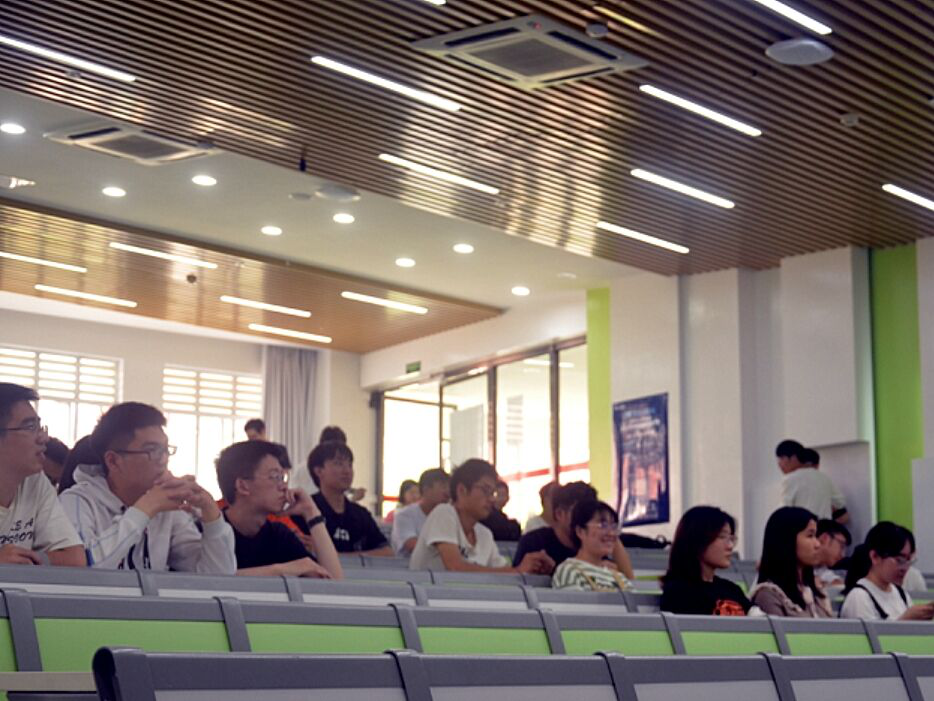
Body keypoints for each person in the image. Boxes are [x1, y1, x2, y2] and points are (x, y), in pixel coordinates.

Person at [60, 402, 236, 572]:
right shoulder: (77, 501)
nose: (163, 459)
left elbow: (217, 575)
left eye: (165, 449)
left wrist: (212, 515)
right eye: (152, 450)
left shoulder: (166, 510)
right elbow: (84, 569)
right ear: (113, 461)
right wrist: (144, 509)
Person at [216, 440, 341, 579]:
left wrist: (311, 512)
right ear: (243, 486)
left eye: (283, 478)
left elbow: (333, 583)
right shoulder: (211, 532)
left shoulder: (279, 534)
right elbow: (208, 579)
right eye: (275, 477)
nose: (284, 487)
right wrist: (280, 570)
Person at [409, 459, 553, 573]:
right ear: (461, 490)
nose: (491, 499)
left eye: (493, 493)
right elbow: (455, 567)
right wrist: (518, 570)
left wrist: (531, 568)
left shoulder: (484, 535)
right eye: (485, 490)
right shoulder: (444, 513)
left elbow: (503, 573)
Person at [0, 383, 85, 566]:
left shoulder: (34, 482)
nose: (43, 438)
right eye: (30, 427)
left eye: (40, 427)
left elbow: (75, 559)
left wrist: (26, 561)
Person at [513, 481, 634, 579]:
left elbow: (629, 583)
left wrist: (609, 532)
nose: (586, 518)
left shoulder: (593, 547)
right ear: (560, 514)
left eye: (591, 515)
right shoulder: (534, 542)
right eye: (580, 513)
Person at [660, 505, 752, 616]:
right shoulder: (678, 593)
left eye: (731, 538)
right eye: (722, 537)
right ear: (697, 540)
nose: (730, 546)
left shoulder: (731, 589)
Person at [308, 440, 392, 555]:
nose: (347, 471)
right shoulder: (307, 509)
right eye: (338, 464)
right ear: (318, 471)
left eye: (350, 465)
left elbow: (387, 552)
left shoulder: (360, 514)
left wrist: (344, 558)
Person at [840, 522, 934, 620]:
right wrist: (906, 620)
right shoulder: (859, 597)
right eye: (899, 560)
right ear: (875, 556)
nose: (905, 568)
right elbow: (869, 630)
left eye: (908, 560)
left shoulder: (900, 594)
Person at [749, 507, 832, 617]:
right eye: (810, 536)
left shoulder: (816, 593)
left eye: (816, 536)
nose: (817, 544)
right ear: (787, 540)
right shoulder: (768, 595)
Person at [552, 500, 632, 592]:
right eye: (603, 525)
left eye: (614, 526)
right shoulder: (569, 571)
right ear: (580, 531)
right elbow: (573, 601)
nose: (611, 533)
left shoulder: (618, 577)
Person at [776, 440, 848, 523]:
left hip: (802, 528)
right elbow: (840, 502)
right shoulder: (823, 477)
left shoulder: (790, 479)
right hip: (824, 528)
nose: (779, 463)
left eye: (781, 458)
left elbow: (783, 512)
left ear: (793, 458)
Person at [391, 468, 450, 555]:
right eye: (443, 486)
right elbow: (412, 545)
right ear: (426, 489)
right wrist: (450, 549)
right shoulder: (404, 515)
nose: (447, 492)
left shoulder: (449, 515)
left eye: (449, 487)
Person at [814, 519, 850, 587]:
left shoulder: (821, 568)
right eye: (841, 546)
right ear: (825, 538)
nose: (842, 555)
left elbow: (832, 579)